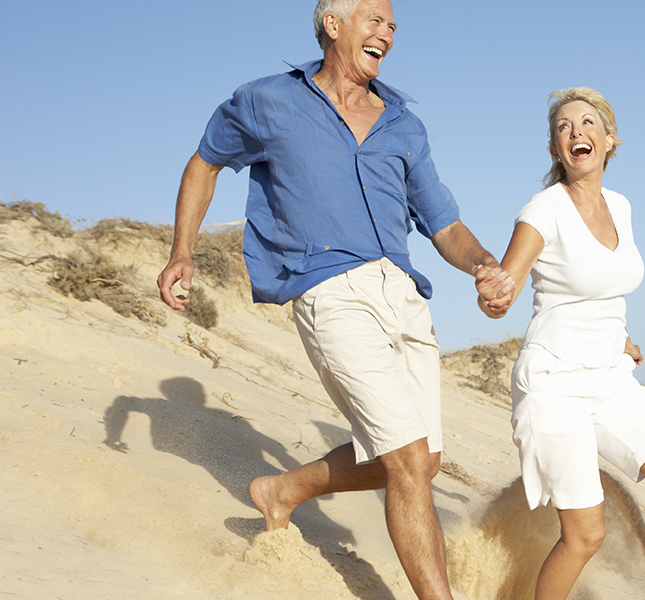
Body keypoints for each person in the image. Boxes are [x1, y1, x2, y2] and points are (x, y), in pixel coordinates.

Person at [156, 1, 514, 598]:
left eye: (393, 26)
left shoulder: (404, 124)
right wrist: (181, 251)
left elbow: (443, 224)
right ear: (333, 24)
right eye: (375, 20)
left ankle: (284, 490)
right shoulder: (268, 100)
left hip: (402, 295)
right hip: (328, 289)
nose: (388, 34)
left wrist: (483, 265)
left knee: (420, 462)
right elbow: (204, 163)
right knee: (405, 459)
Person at [479, 87, 645, 600]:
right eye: (563, 127)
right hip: (554, 383)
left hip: (608, 375)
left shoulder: (621, 207)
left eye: (587, 123)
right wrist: (496, 295)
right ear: (554, 150)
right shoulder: (543, 209)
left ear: (609, 140)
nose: (575, 132)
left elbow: (602, 282)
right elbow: (508, 282)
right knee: (585, 536)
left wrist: (620, 337)